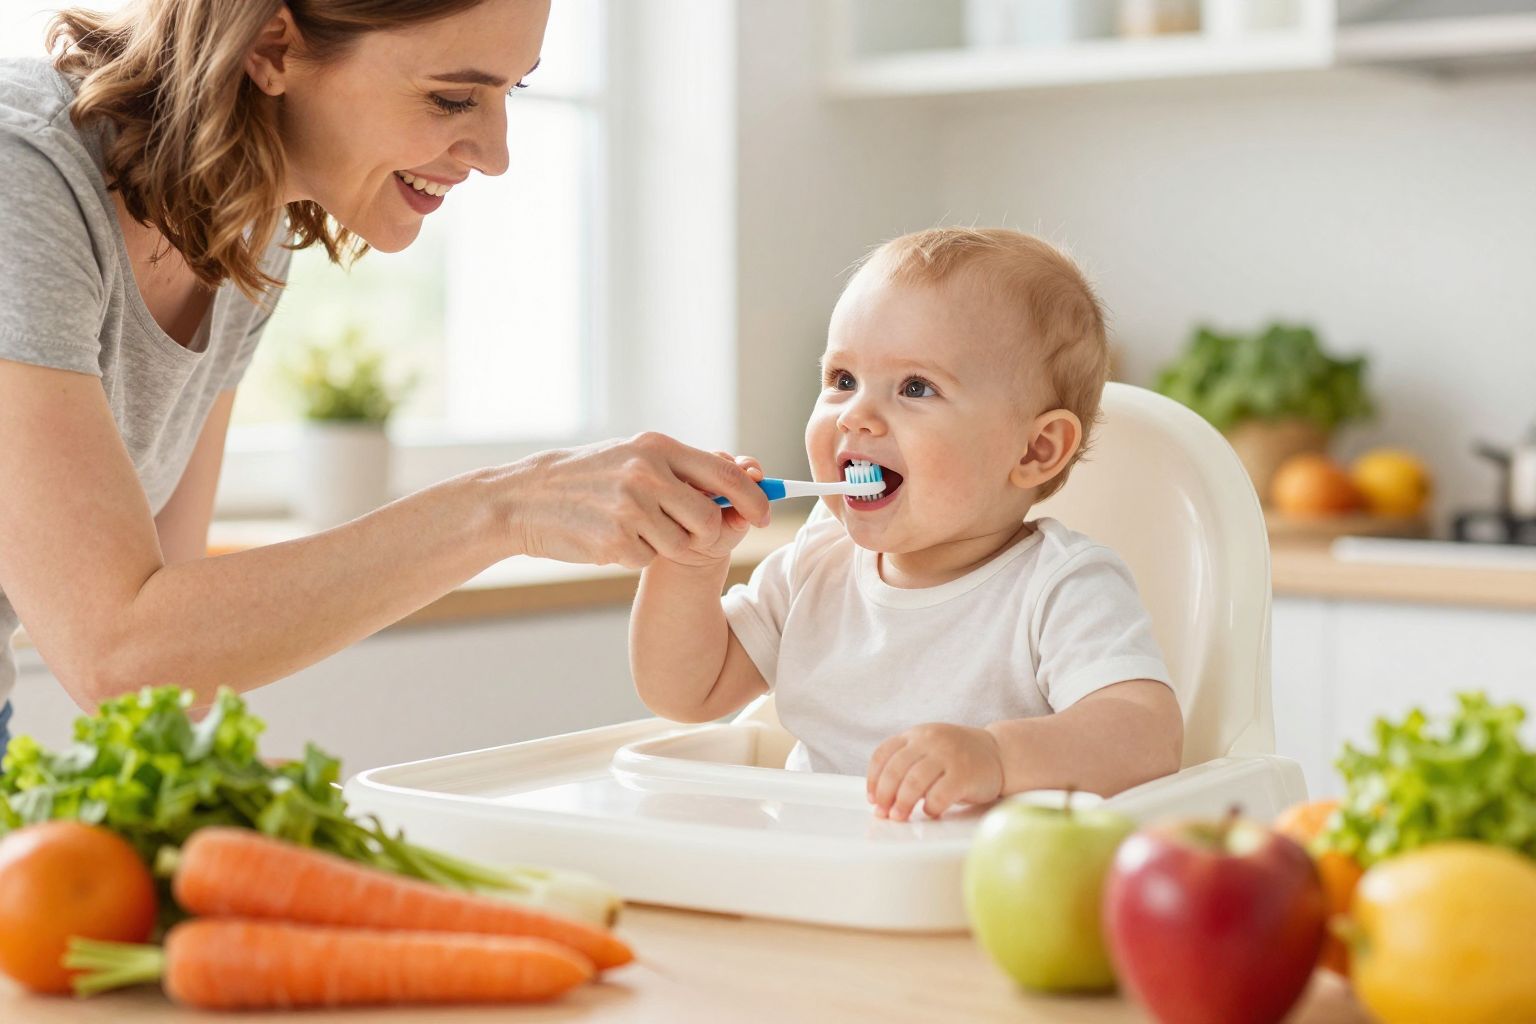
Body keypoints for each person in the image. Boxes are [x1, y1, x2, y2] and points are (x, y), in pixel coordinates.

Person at [0, 0, 770, 759]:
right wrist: (505, 508)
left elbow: (170, 664)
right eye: (452, 97)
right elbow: (119, 652)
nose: (496, 153)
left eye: (514, 91)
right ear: (272, 48)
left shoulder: (247, 231)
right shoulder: (21, 176)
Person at [629, 228, 1185, 821]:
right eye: (842, 380)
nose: (857, 416)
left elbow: (1147, 735)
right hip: (807, 868)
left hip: (967, 887)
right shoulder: (818, 559)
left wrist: (997, 756)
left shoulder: (1061, 586)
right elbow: (687, 692)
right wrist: (689, 562)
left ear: (1035, 451)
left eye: (915, 387)